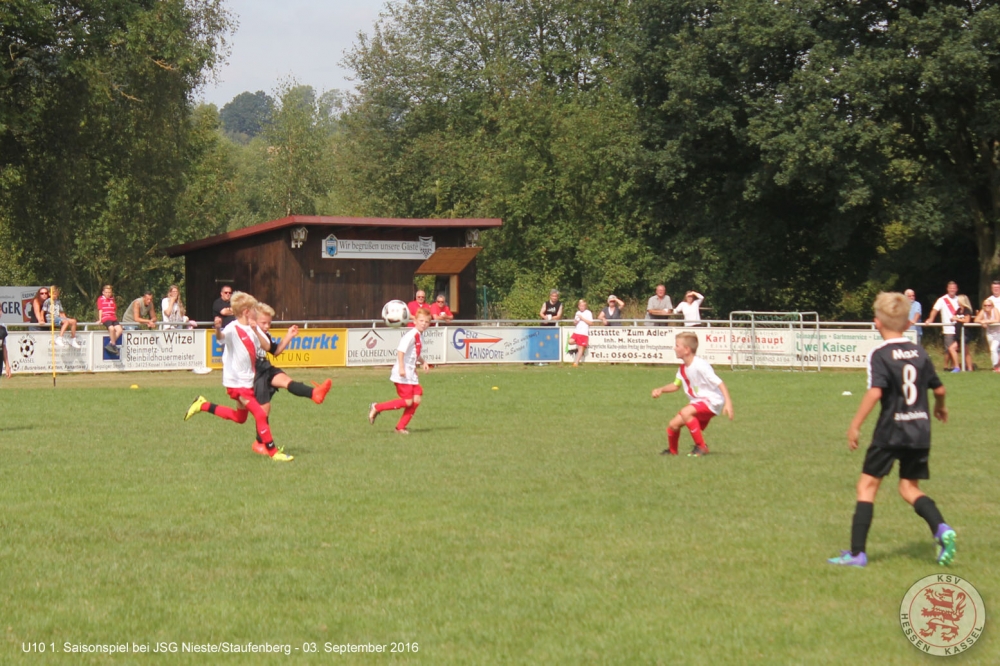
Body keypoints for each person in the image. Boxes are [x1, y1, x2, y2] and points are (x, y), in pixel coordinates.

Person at [828, 291, 954, 568]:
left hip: (891, 430)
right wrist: (940, 406)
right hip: (920, 429)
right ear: (909, 323)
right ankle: (941, 528)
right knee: (909, 488)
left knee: (866, 486)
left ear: (877, 323)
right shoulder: (920, 352)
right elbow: (940, 388)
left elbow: (875, 393)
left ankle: (857, 553)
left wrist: (855, 425)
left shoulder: (880, 354)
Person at [184, 292, 293, 462]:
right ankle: (273, 452)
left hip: (247, 382)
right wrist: (218, 328)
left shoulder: (252, 328)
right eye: (253, 309)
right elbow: (220, 339)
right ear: (246, 311)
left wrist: (260, 333)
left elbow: (268, 346)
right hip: (235, 383)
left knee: (240, 418)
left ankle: (203, 405)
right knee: (260, 414)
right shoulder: (232, 328)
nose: (256, 311)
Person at [651, 331, 734, 456]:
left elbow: (720, 383)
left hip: (712, 400)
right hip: (698, 401)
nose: (674, 348)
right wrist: (661, 389)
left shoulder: (700, 365)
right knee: (673, 425)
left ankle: (701, 447)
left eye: (677, 345)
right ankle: (672, 452)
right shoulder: (683, 368)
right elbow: (675, 385)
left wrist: (728, 403)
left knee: (686, 412)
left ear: (686, 350)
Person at [252, 302, 332, 431]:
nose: (267, 326)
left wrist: (289, 336)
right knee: (264, 408)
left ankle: (314, 393)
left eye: (269, 323)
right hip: (254, 370)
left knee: (287, 381)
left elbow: (275, 351)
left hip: (264, 366)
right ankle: (260, 442)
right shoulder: (249, 333)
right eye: (263, 323)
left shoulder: (265, 335)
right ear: (254, 321)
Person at [368, 307, 431, 434]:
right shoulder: (411, 335)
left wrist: (423, 362)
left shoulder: (420, 336)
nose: (424, 324)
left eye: (426, 322)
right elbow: (401, 351)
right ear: (415, 321)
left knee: (416, 399)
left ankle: (400, 427)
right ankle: (376, 407)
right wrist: (402, 368)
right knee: (408, 401)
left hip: (411, 374)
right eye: (421, 321)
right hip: (402, 373)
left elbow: (414, 353)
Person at [925, 282, 961, 371]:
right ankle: (946, 366)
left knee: (955, 350)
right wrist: (930, 319)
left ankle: (953, 367)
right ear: (947, 289)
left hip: (958, 328)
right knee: (948, 349)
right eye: (950, 288)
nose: (952, 290)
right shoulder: (942, 300)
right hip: (948, 329)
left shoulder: (959, 299)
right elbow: (935, 310)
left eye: (954, 288)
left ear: (956, 289)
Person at [974, 298, 1000, 372]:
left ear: (992, 306)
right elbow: (976, 319)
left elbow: (997, 319)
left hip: (998, 333)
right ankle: (995, 366)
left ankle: (996, 366)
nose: (987, 307)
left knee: (993, 349)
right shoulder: (983, 311)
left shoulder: (995, 310)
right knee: (992, 350)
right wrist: (982, 322)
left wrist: (987, 321)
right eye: (985, 305)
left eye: (989, 305)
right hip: (989, 333)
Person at [96, 284, 123, 356]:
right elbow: (100, 309)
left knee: (119, 330)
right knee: (111, 328)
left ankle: (111, 343)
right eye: (106, 292)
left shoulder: (112, 299)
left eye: (109, 292)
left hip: (113, 317)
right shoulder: (100, 299)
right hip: (106, 317)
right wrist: (100, 319)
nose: (108, 294)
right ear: (103, 292)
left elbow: (114, 308)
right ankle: (113, 344)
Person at [951, 294, 975, 372]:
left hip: (965, 333)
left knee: (958, 349)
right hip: (958, 333)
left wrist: (957, 318)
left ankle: (960, 367)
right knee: (964, 351)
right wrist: (953, 318)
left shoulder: (967, 310)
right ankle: (961, 367)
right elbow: (954, 317)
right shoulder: (958, 310)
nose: (957, 301)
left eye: (958, 300)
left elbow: (967, 320)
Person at [571, 299, 594, 367]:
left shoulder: (588, 313)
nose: (582, 307)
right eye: (581, 306)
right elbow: (575, 323)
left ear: (585, 306)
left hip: (583, 333)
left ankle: (576, 363)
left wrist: (582, 318)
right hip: (577, 332)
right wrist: (575, 322)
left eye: (583, 306)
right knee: (570, 341)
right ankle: (580, 343)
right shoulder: (577, 313)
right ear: (578, 306)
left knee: (580, 349)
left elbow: (591, 323)